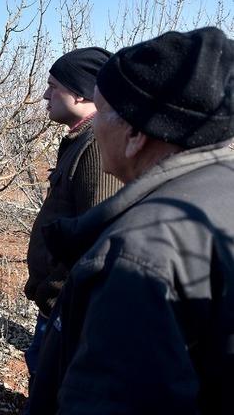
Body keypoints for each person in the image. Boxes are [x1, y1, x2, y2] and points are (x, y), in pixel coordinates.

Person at [28, 26, 234, 414]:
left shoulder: (136, 252)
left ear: (137, 132)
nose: (95, 124)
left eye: (103, 111)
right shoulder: (221, 190)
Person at [22, 48, 121, 387]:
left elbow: (97, 238)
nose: (46, 95)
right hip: (57, 306)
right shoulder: (81, 139)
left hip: (68, 309)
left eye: (53, 86)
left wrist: (57, 293)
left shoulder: (95, 145)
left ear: (80, 92)